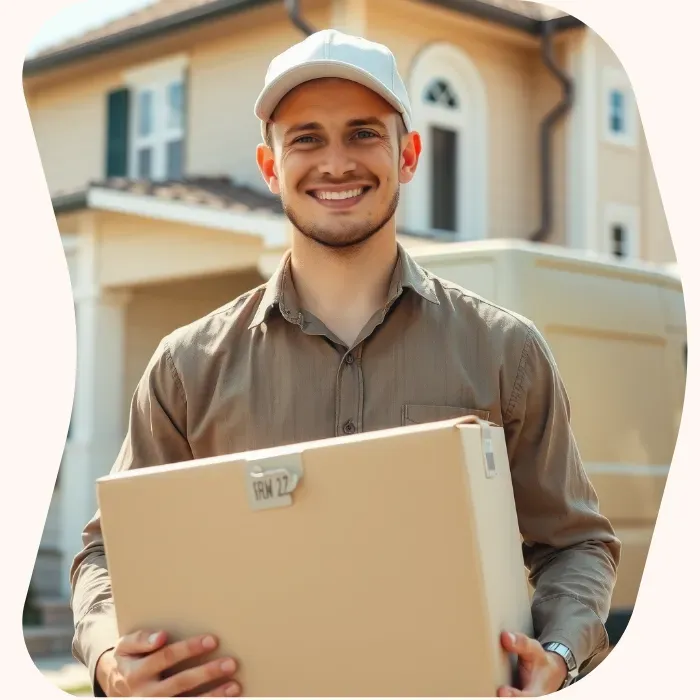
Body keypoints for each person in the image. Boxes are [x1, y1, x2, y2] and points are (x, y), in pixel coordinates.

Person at [69, 29, 620, 698]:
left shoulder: (506, 350)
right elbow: (106, 554)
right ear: (270, 167)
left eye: (363, 134)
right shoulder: (187, 367)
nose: (336, 163)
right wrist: (109, 661)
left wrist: (557, 653)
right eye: (305, 138)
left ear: (408, 154)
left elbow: (577, 545)